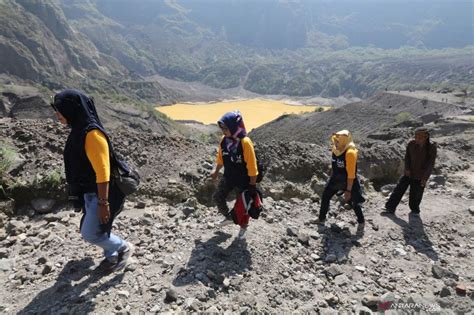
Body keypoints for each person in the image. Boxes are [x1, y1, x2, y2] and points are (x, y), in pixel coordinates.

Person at [51, 89, 132, 271]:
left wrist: (103, 203)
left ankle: (122, 247)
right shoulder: (78, 130)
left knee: (89, 233)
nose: (57, 115)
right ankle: (111, 256)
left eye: (60, 110)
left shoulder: (92, 134)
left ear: (72, 109)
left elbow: (103, 172)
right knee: (100, 226)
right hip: (89, 191)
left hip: (102, 192)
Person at [210, 111, 259, 240]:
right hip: (228, 177)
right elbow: (221, 159)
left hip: (244, 181)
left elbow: (252, 167)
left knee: (244, 207)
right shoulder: (224, 141)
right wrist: (215, 172)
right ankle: (229, 218)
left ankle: (243, 227)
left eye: (226, 128)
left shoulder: (245, 143)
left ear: (234, 126)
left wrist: (252, 186)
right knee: (218, 197)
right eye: (222, 128)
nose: (223, 131)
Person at [317, 130, 365, 228]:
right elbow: (334, 165)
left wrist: (348, 191)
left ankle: (361, 222)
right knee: (326, 196)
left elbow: (351, 175)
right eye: (334, 141)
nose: (335, 143)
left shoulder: (350, 153)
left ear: (344, 141)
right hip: (336, 180)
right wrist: (331, 177)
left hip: (348, 182)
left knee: (354, 202)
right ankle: (321, 219)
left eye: (338, 141)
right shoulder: (336, 150)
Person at [384, 127, 437, 216]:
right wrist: (407, 169)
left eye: (420, 137)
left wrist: (425, 178)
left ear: (426, 137)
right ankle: (390, 207)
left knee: (416, 194)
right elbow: (407, 157)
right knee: (399, 189)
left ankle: (415, 210)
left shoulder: (431, 147)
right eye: (416, 136)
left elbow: (430, 164)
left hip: (420, 174)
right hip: (409, 172)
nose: (417, 139)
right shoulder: (411, 144)